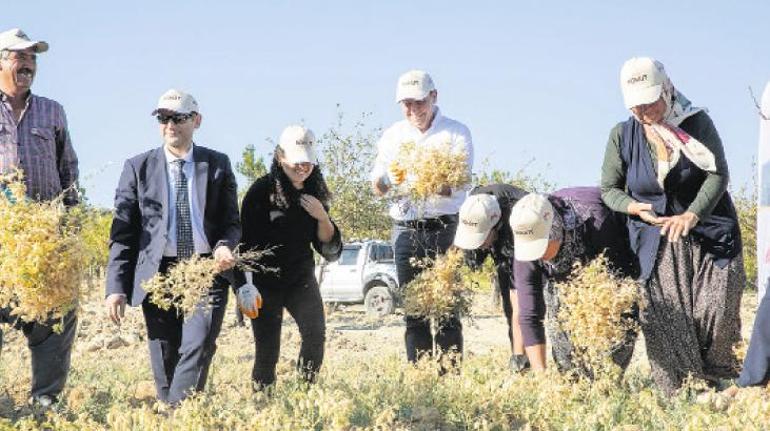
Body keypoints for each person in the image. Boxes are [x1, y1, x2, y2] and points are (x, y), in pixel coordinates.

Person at [600, 57, 743, 394]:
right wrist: (633, 207)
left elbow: (718, 173)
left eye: (649, 102)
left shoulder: (696, 123)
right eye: (635, 106)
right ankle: (686, 396)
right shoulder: (622, 135)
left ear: (666, 88)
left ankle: (717, 380)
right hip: (657, 240)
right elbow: (610, 189)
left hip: (710, 231)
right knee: (669, 320)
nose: (642, 111)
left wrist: (692, 215)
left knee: (716, 310)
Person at [105, 89, 241, 405]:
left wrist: (224, 246)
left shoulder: (217, 165)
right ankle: (177, 412)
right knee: (165, 353)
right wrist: (116, 286)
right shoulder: (137, 168)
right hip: (158, 272)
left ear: (196, 120)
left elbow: (231, 222)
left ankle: (178, 415)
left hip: (205, 268)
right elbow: (122, 232)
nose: (170, 125)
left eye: (178, 118)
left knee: (200, 342)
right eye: (164, 118)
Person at [370, 70, 473, 365]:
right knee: (414, 311)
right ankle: (420, 378)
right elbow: (377, 186)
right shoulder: (393, 136)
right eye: (406, 104)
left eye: (418, 102)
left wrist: (418, 178)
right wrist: (389, 179)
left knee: (446, 310)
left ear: (433, 96)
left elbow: (457, 183)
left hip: (445, 230)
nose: (413, 110)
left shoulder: (456, 133)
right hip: (405, 230)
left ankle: (450, 377)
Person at [0, 28, 79, 407]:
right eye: (18, 56)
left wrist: (71, 225)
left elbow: (69, 171)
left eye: (32, 57)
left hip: (45, 237)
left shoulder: (52, 111)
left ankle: (46, 398)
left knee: (54, 317)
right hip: (2, 239)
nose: (27, 62)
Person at [238, 125, 342, 389]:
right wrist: (244, 285)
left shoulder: (315, 192)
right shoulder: (259, 192)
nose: (302, 167)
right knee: (267, 350)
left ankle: (304, 392)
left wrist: (322, 216)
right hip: (265, 282)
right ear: (280, 157)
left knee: (315, 335)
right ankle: (263, 401)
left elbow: (328, 248)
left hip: (300, 279)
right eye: (296, 161)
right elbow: (244, 243)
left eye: (307, 161)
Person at [509, 188, 638, 374]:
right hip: (565, 276)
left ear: (555, 231)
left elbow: (619, 284)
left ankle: (606, 385)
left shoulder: (598, 221)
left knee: (609, 352)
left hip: (608, 274)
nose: (536, 257)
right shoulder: (525, 240)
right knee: (567, 355)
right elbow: (529, 313)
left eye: (540, 248)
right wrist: (541, 375)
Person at [454, 184, 531, 372]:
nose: (478, 245)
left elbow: (517, 294)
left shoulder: (521, 216)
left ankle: (523, 361)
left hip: (525, 241)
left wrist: (518, 356)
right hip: (501, 241)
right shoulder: (472, 210)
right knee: (508, 307)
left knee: (523, 307)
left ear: (494, 227)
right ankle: (519, 356)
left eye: (481, 240)